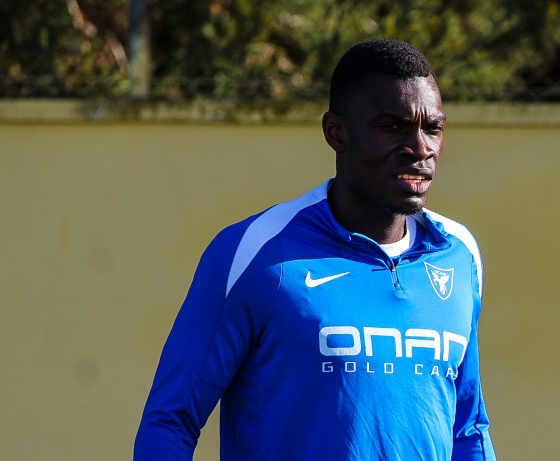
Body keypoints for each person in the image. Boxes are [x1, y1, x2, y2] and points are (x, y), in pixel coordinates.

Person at [134, 39, 496, 461]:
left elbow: (468, 429)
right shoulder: (257, 253)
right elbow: (170, 421)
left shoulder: (458, 254)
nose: (420, 148)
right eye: (391, 127)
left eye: (432, 128)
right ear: (336, 132)